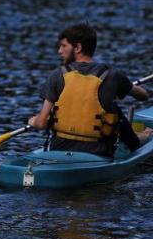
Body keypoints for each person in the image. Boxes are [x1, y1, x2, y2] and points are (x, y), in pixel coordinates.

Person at [28, 23, 152, 157]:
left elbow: (41, 123)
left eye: (64, 46)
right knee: (113, 109)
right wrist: (121, 90)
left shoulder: (57, 75)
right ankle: (137, 140)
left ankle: (136, 139)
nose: (59, 51)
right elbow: (143, 96)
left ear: (78, 47)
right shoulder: (112, 75)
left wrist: (32, 121)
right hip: (98, 153)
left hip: (59, 149)